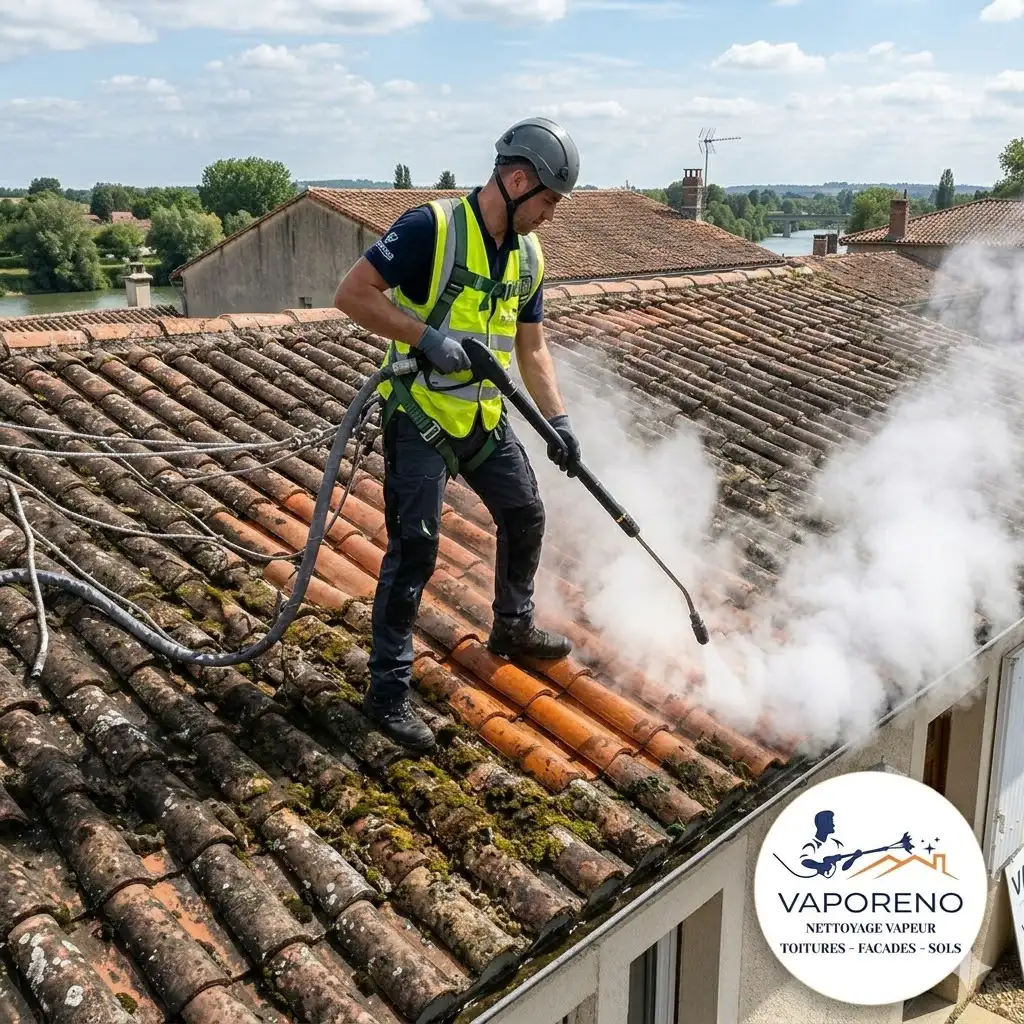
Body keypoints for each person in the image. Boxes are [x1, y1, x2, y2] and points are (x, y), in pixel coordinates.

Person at [334, 116, 583, 753]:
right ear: (519, 180)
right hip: (419, 414)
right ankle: (388, 693)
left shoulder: (529, 257)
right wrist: (426, 338)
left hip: (483, 418)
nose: (551, 215)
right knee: (414, 550)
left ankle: (512, 624)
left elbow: (533, 348)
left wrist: (557, 422)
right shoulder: (432, 229)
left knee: (525, 513)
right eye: (550, 200)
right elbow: (352, 294)